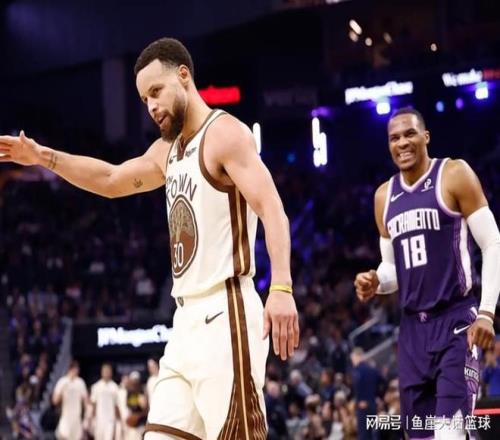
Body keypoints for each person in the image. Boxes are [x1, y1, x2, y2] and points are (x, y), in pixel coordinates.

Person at [0, 37, 299, 439]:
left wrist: (281, 287)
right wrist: (44, 157)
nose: (152, 106)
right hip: (184, 321)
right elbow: (110, 179)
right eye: (144, 99)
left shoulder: (226, 134)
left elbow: (273, 209)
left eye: (156, 91)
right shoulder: (166, 151)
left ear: (184, 76)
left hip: (225, 313)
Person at [354, 107, 500, 439]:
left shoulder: (454, 174)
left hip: (455, 321)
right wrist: (376, 281)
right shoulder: (383, 197)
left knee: (449, 432)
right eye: (394, 138)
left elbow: (492, 242)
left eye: (410, 134)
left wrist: (487, 312)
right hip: (412, 333)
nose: (402, 143)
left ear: (426, 137)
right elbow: (392, 269)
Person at [350, 347, 383, 440]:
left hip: (363, 407)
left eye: (353, 359)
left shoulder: (356, 372)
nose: (352, 362)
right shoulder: (372, 369)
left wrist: (360, 400)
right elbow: (383, 382)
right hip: (373, 405)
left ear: (358, 356)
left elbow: (357, 388)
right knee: (375, 434)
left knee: (364, 436)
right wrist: (378, 396)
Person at [52, 360, 89, 440]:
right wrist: (62, 391)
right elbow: (55, 401)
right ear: (70, 369)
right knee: (63, 436)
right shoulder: (62, 381)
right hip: (65, 418)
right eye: (75, 369)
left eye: (77, 369)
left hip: (76, 419)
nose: (77, 371)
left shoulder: (80, 382)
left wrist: (87, 418)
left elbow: (86, 402)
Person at [89, 363, 120, 440]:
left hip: (110, 421)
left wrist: (118, 420)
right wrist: (91, 419)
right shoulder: (96, 386)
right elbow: (93, 404)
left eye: (108, 371)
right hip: (99, 420)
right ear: (101, 372)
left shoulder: (115, 387)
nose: (106, 373)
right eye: (104, 371)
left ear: (111, 373)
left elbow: (116, 406)